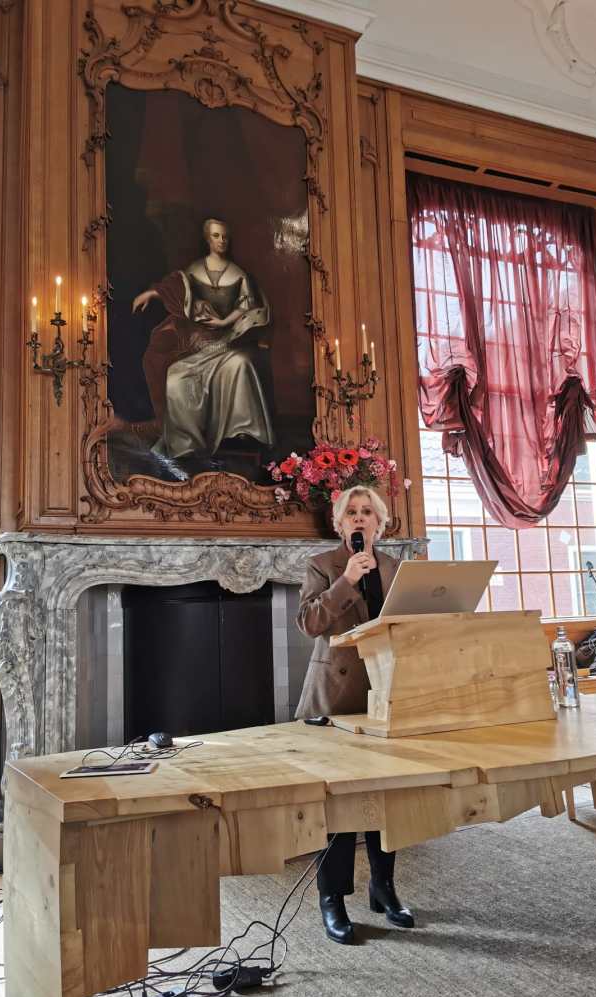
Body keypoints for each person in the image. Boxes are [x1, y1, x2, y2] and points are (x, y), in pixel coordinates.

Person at [295, 485, 414, 944]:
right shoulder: (322, 565)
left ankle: (384, 887)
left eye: (368, 512)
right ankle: (333, 899)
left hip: (385, 692)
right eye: (352, 513)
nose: (360, 519)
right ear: (340, 523)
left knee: (387, 797)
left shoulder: (395, 568)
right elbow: (309, 623)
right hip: (336, 696)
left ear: (379, 525)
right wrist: (345, 580)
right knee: (338, 806)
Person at [131, 217, 275, 459]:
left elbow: (246, 307)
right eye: (216, 236)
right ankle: (186, 445)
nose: (222, 241)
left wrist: (223, 322)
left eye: (225, 236)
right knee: (176, 377)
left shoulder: (239, 274)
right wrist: (151, 293)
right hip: (199, 345)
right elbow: (176, 290)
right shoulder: (194, 270)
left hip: (230, 342)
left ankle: (239, 433)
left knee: (240, 364)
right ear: (208, 239)